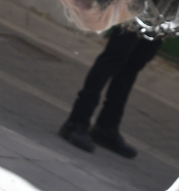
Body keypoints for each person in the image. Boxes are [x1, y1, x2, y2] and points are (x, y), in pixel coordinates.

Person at [59, 26, 162, 158]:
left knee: (135, 62)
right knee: (116, 54)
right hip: (138, 7)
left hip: (167, 11)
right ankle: (76, 121)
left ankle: (106, 127)